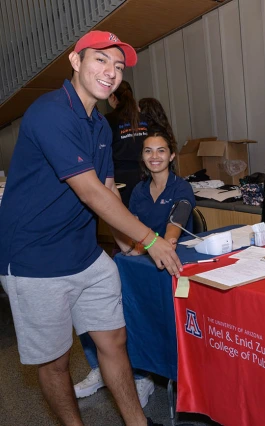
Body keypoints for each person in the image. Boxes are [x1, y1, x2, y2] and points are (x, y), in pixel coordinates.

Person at [0, 30, 182, 426]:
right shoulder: (50, 112)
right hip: (35, 259)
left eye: (118, 67)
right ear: (76, 61)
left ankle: (137, 422)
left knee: (114, 340)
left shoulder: (99, 125)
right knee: (54, 362)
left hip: (85, 255)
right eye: (101, 60)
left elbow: (107, 192)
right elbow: (88, 193)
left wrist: (124, 242)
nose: (111, 72)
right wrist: (149, 239)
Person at [74, 128, 196, 404]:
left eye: (161, 150)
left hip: (169, 262)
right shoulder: (140, 190)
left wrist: (161, 245)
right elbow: (127, 224)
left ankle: (143, 375)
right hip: (142, 260)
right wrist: (131, 248)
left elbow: (175, 224)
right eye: (148, 151)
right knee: (97, 304)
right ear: (142, 157)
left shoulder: (181, 187)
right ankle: (101, 368)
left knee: (141, 315)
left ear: (172, 155)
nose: (155, 156)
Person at [105, 80, 148, 206]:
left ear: (112, 97)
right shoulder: (143, 119)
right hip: (145, 174)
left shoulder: (108, 120)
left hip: (120, 180)